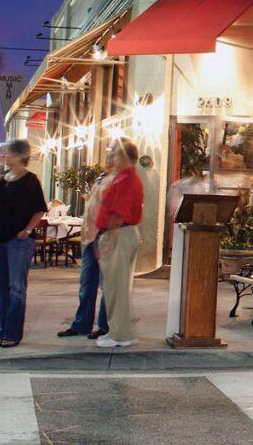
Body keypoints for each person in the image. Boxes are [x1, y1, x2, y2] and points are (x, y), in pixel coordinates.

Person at [0, 139, 47, 348]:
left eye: (8, 152)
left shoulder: (31, 180)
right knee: (1, 288)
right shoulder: (1, 180)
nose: (5, 155)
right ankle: (0, 331)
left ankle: (12, 333)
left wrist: (27, 230)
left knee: (16, 288)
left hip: (18, 241)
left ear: (20, 155)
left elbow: (39, 209)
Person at [96, 138, 145, 348]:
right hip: (120, 233)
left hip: (119, 233)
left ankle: (120, 335)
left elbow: (118, 212)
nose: (111, 157)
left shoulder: (127, 180)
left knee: (116, 287)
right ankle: (120, 331)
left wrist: (109, 239)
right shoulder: (124, 178)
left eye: (115, 153)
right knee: (116, 286)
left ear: (124, 156)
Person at [58, 169, 110, 339]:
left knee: (106, 285)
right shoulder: (101, 178)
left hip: (104, 238)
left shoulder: (119, 180)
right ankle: (82, 324)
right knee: (86, 284)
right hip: (90, 238)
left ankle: (104, 326)